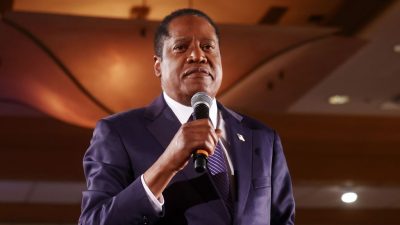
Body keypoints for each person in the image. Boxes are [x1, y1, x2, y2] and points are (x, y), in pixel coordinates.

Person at [79, 8, 295, 225]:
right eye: (181, 47)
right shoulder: (118, 133)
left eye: (208, 47)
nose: (198, 56)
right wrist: (167, 163)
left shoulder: (262, 137)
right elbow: (94, 221)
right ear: (158, 66)